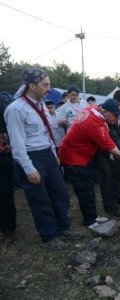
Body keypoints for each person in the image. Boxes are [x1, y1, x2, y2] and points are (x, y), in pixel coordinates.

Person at [4, 68, 79, 250]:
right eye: (45, 85)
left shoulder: (42, 104)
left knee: (60, 193)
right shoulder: (15, 109)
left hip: (47, 154)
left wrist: (54, 154)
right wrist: (29, 169)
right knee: (40, 199)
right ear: (32, 86)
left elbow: (47, 131)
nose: (49, 88)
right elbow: (17, 144)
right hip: (31, 156)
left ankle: (63, 227)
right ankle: (49, 236)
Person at [59, 98, 120, 229]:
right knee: (85, 189)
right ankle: (90, 221)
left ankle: (92, 216)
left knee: (89, 186)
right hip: (74, 158)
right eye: (115, 115)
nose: (117, 118)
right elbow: (117, 153)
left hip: (81, 154)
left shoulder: (92, 109)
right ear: (105, 111)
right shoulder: (96, 125)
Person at [94, 90, 120, 217]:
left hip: (115, 149)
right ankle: (110, 207)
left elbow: (119, 135)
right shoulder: (106, 115)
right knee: (106, 178)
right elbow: (114, 138)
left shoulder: (118, 114)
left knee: (116, 175)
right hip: (102, 151)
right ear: (115, 103)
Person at [0, 93, 15, 245]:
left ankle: (8, 229)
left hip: (2, 155)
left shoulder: (2, 101)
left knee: (4, 194)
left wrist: (10, 143)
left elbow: (11, 124)